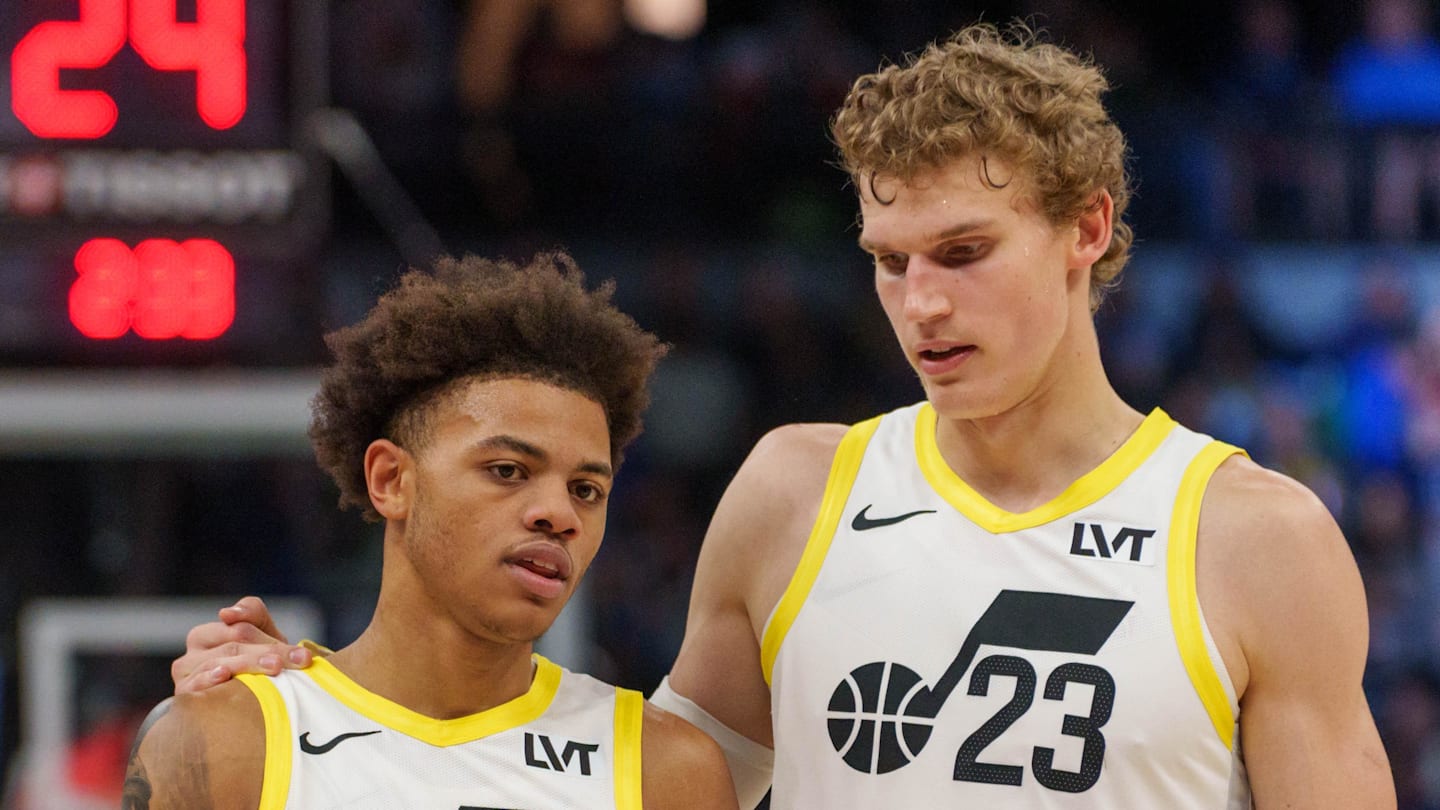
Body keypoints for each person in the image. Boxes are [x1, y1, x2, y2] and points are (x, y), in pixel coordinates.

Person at [168, 22, 1396, 808]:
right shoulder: (795, 490)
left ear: (1086, 228)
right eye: (888, 257)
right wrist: (323, 703)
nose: (920, 304)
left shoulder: (1251, 537)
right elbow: (603, 779)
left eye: (963, 251)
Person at [129, 252, 738, 809]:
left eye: (587, 489)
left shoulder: (667, 771)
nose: (560, 514)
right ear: (391, 479)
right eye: (507, 470)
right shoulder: (229, 741)